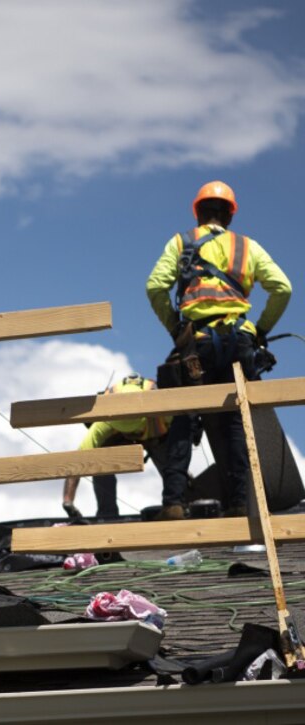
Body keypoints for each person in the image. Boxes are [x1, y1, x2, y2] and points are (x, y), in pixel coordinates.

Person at [146, 181, 291, 519]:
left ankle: (174, 503)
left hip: (195, 344)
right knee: (236, 423)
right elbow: (283, 288)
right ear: (230, 214)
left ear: (198, 213)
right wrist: (261, 330)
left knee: (185, 418)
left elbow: (155, 287)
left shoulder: (181, 242)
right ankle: (241, 502)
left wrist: (174, 328)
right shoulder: (247, 246)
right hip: (238, 342)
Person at [61, 374, 172, 519]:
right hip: (140, 426)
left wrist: (178, 471)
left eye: (134, 433)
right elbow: (78, 460)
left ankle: (177, 503)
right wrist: (68, 501)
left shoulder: (163, 413)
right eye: (126, 433)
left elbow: (181, 441)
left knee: (168, 461)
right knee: (99, 458)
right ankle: (107, 514)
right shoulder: (105, 422)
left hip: (155, 433)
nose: (132, 438)